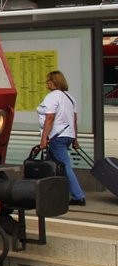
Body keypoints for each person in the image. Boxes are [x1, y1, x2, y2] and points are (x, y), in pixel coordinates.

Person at [37, 70, 85, 206]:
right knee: (48, 165)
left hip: (56, 137)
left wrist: (43, 138)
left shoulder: (52, 96)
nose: (47, 83)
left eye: (49, 80)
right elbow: (74, 121)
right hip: (67, 135)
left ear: (55, 82)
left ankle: (78, 196)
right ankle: (47, 193)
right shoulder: (70, 97)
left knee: (64, 166)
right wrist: (75, 140)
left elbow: (50, 118)